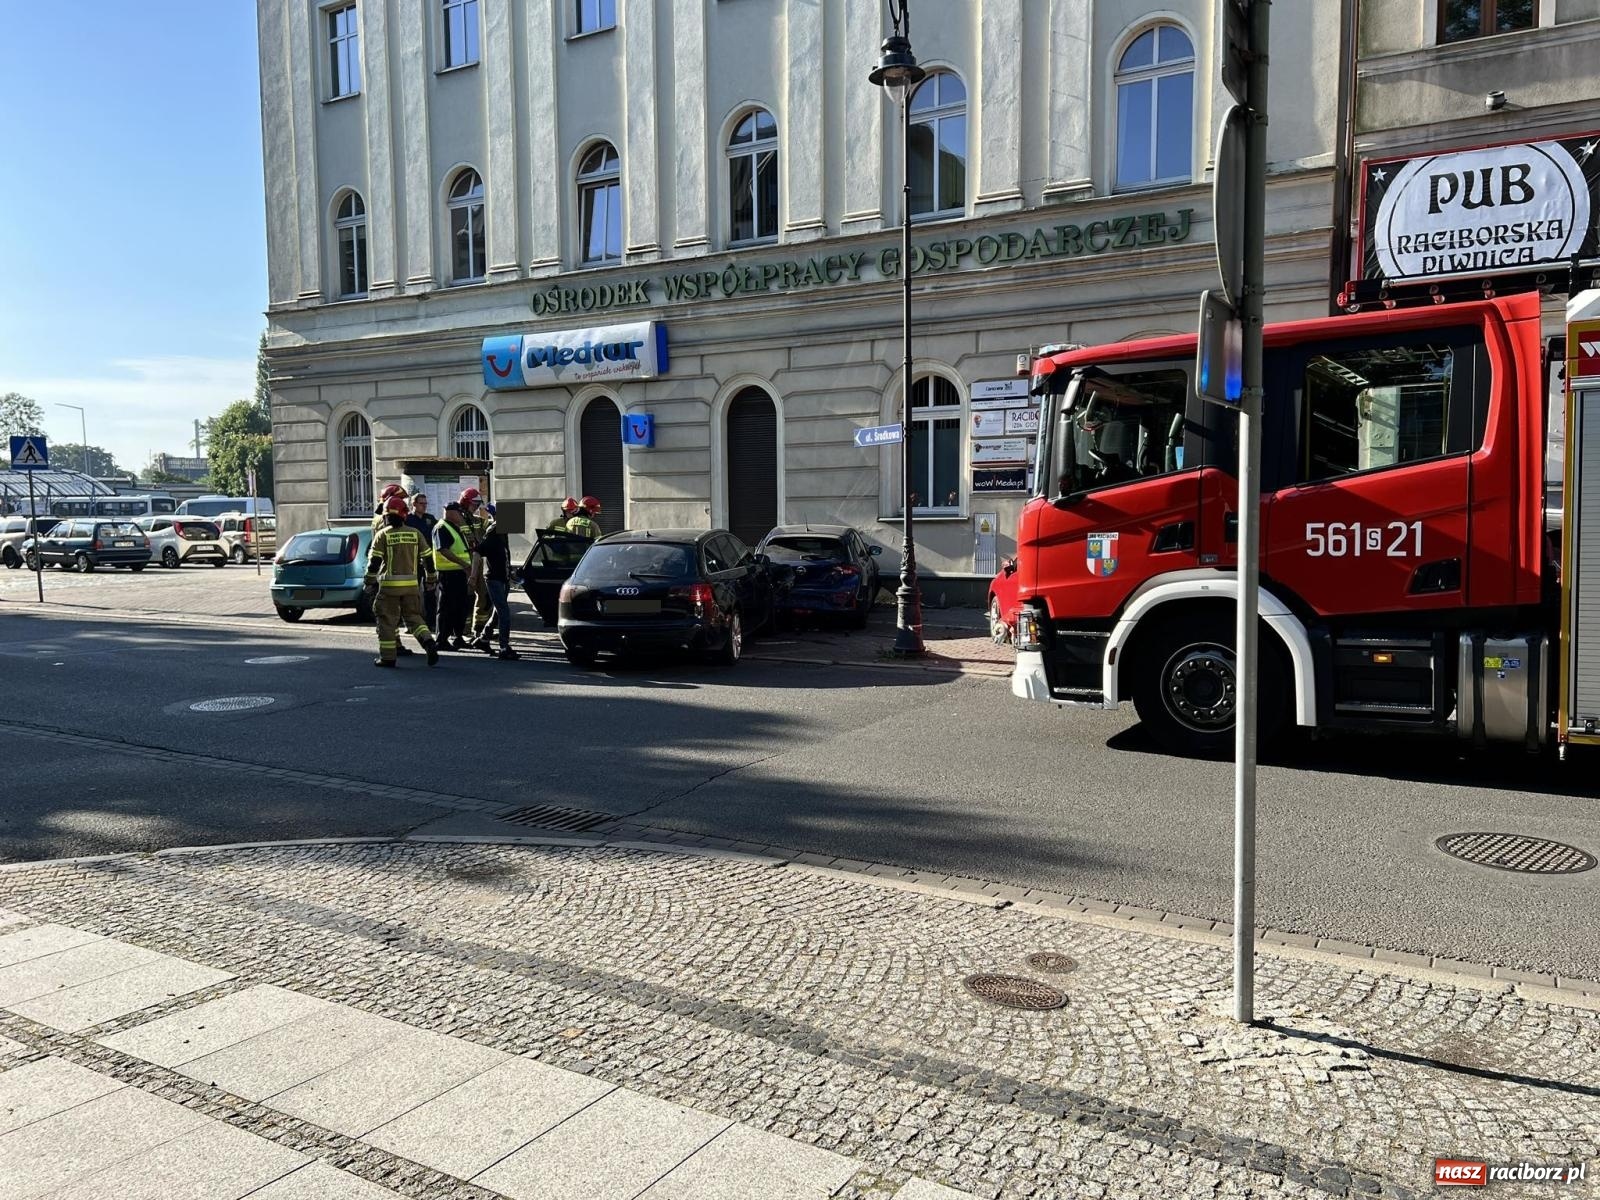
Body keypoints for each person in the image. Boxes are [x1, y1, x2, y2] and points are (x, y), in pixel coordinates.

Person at [363, 496, 439, 668]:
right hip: (411, 586)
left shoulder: (382, 535)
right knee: (414, 617)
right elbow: (428, 559)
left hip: (389, 588)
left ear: (386, 516)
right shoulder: (415, 533)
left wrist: (368, 581)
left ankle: (388, 658)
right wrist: (431, 579)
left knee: (387, 621)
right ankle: (428, 641)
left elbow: (374, 562)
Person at [470, 504, 518, 660]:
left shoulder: (503, 533)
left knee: (498, 613)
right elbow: (477, 552)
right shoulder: (493, 533)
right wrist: (473, 576)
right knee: (504, 613)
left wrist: (510, 571)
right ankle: (504, 648)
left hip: (503, 578)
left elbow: (504, 555)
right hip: (494, 579)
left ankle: (483, 639)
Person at [432, 501, 474, 649]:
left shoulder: (454, 526)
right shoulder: (442, 527)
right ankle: (441, 639)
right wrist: (464, 564)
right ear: (451, 513)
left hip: (459, 572)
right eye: (459, 512)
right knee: (446, 607)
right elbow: (443, 550)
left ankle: (458, 637)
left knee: (460, 606)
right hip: (448, 574)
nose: (461, 515)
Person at [458, 487, 493, 644]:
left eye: (478, 504)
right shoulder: (457, 520)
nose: (477, 507)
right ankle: (463, 631)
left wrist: (504, 512)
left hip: (478, 562)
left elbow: (497, 527)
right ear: (466, 503)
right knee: (467, 598)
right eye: (474, 504)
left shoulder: (477, 520)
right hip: (464, 564)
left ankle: (479, 629)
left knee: (484, 596)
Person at [406, 492, 439, 633]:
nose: (424, 506)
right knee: (412, 594)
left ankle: (431, 623)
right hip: (412, 560)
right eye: (421, 503)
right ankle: (412, 623)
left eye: (426, 504)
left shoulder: (430, 519)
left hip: (429, 561)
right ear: (414, 504)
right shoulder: (407, 519)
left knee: (430, 592)